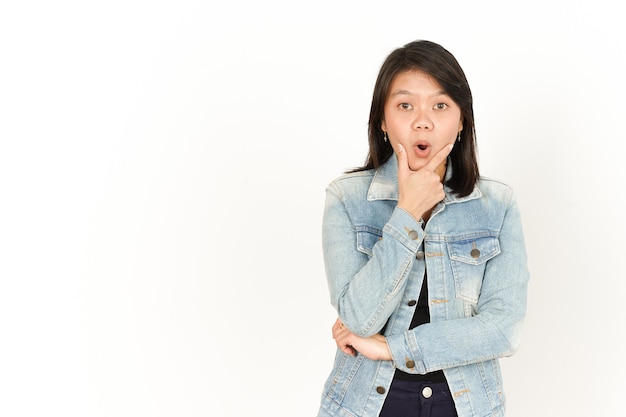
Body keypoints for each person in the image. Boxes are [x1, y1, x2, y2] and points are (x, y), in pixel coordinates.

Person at [316, 40, 529, 417]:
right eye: (405, 105)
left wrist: (393, 348)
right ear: (382, 120)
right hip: (365, 404)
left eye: (441, 105)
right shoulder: (347, 199)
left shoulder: (497, 206)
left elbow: (502, 329)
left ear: (462, 120)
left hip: (467, 405)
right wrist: (407, 212)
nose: (423, 120)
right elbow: (359, 319)